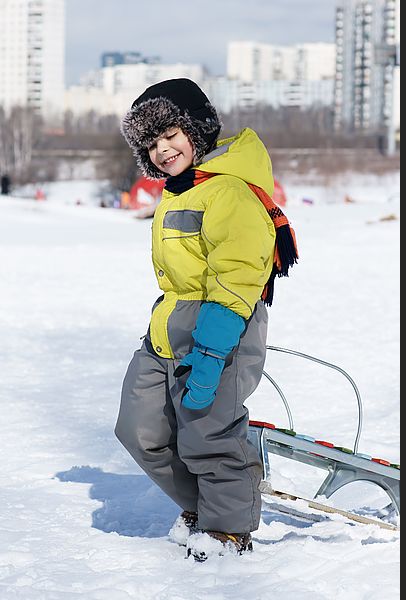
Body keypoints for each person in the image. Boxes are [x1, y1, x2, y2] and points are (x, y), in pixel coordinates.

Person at [115, 78, 297, 561]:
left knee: (209, 436)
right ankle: (205, 506)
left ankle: (227, 532)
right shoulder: (181, 190)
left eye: (169, 134)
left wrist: (213, 350)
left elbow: (237, 276)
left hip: (221, 328)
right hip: (168, 329)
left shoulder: (228, 192)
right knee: (139, 431)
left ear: (195, 128)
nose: (162, 150)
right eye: (150, 144)